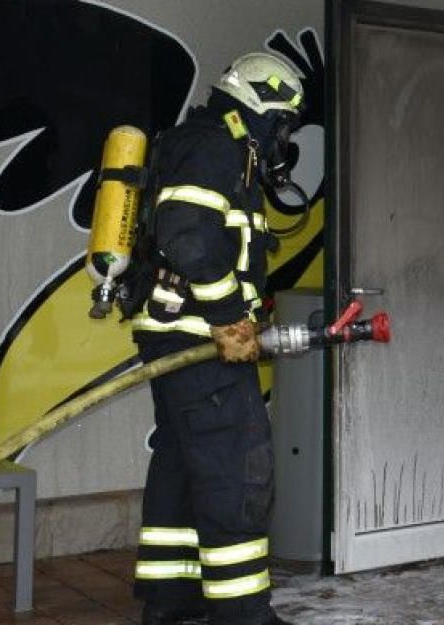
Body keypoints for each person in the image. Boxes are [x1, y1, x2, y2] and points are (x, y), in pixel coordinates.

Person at [130, 52, 304, 625]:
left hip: (180, 335)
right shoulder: (211, 149)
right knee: (238, 462)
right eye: (283, 124)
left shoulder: (218, 151)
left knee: (184, 460)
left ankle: (172, 598)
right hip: (199, 336)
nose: (285, 139)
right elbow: (190, 241)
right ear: (258, 108)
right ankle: (243, 612)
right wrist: (231, 317)